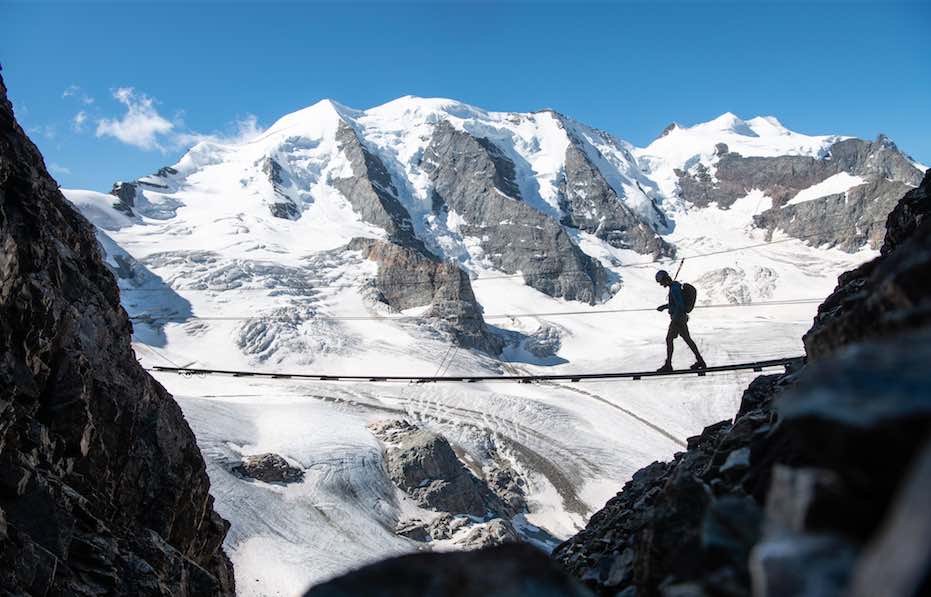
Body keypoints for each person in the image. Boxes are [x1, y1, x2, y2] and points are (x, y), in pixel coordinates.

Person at [655, 270, 706, 373]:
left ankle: (668, 365)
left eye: (660, 282)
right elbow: (676, 304)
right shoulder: (675, 287)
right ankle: (700, 361)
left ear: (664, 279)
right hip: (681, 318)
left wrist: (675, 318)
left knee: (669, 339)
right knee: (687, 340)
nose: (661, 284)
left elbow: (679, 305)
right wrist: (665, 307)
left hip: (677, 319)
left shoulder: (674, 288)